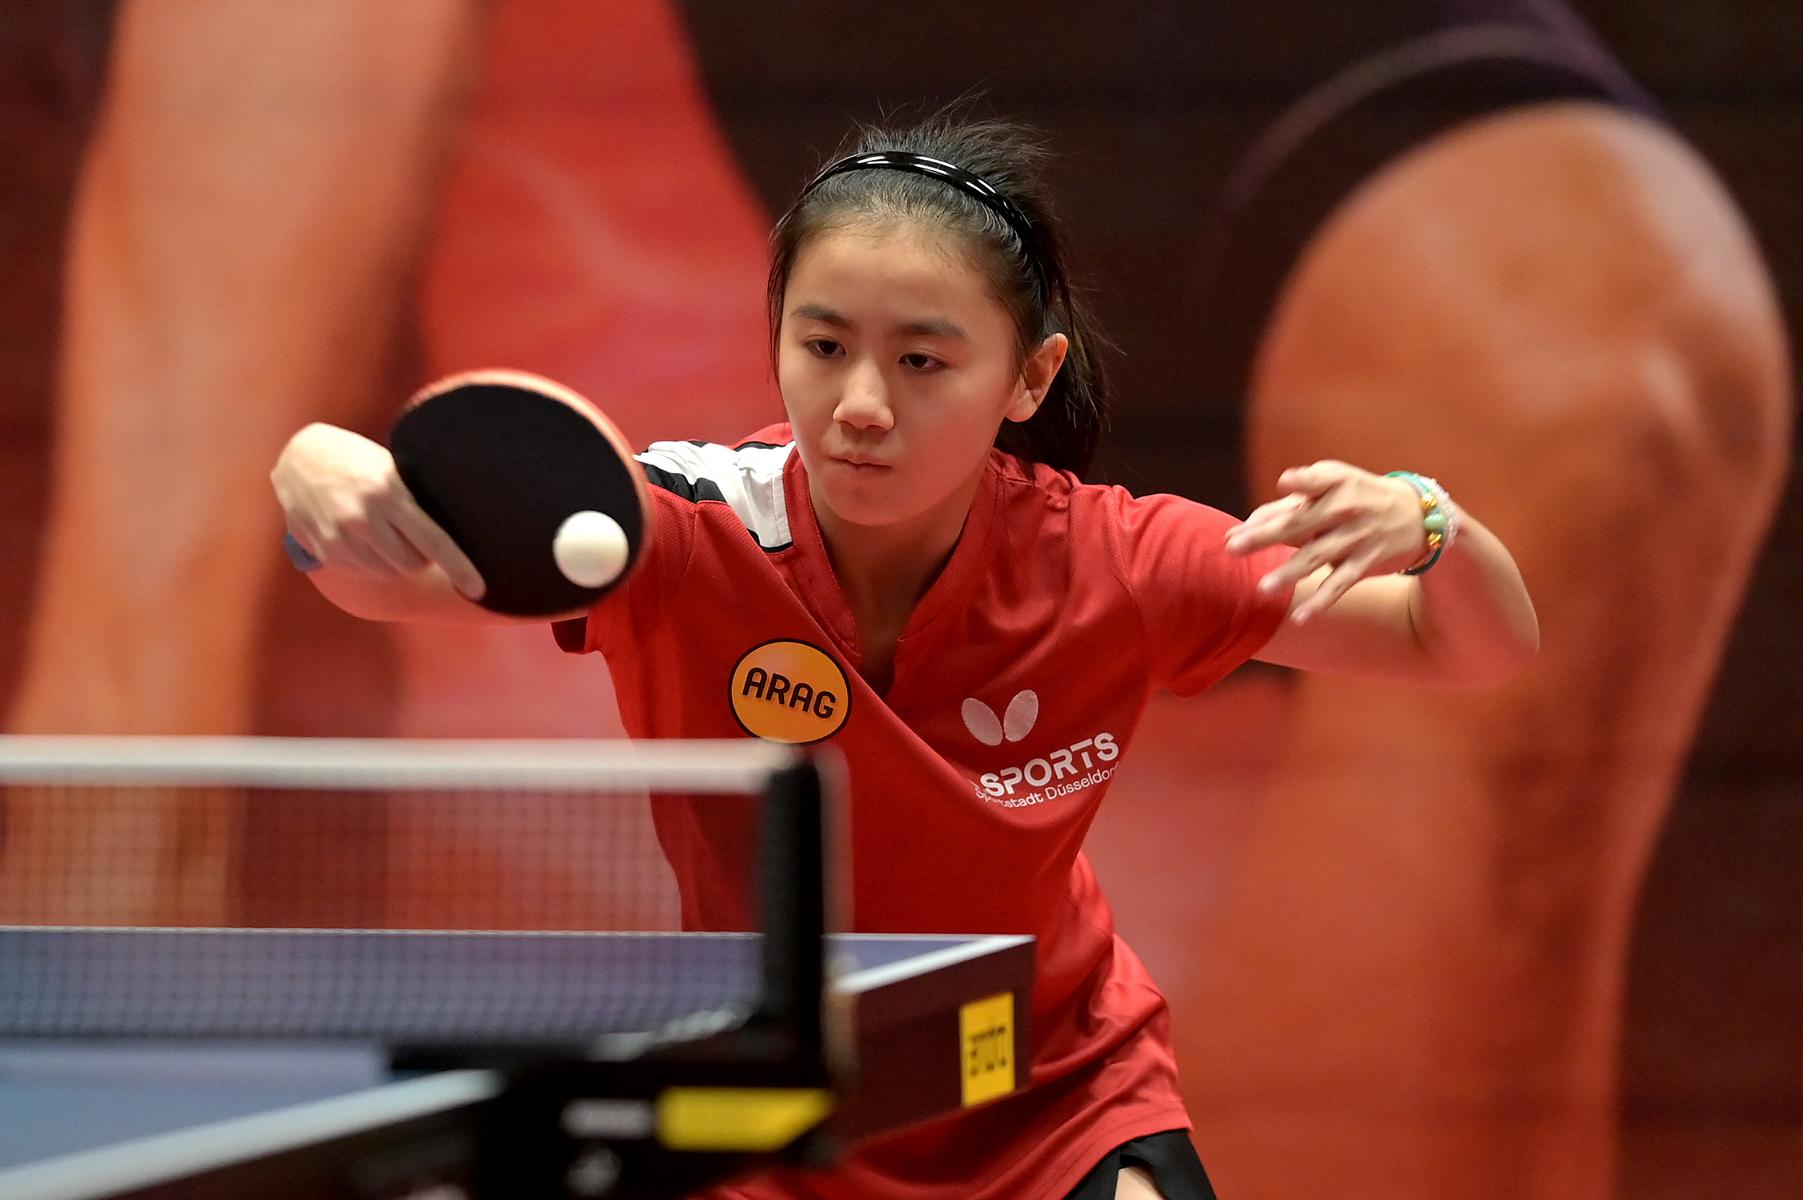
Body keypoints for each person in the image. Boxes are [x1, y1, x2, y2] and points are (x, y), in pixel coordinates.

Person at [272, 114, 1539, 1200]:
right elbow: (382, 585)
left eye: (923, 360)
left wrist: (1433, 525)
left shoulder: (1117, 561)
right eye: (823, 347)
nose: (862, 406)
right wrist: (317, 477)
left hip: (1050, 1093)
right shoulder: (683, 536)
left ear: (1028, 378)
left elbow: (1465, 648)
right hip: (776, 1106)